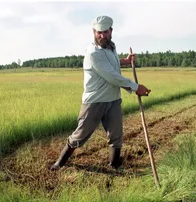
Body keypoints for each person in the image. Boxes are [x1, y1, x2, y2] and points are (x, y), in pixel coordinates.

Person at [50, 15, 151, 171]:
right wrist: (136, 87)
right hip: (95, 102)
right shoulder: (93, 53)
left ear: (111, 31)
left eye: (105, 32)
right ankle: (60, 162)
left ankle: (115, 164)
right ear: (93, 32)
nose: (102, 36)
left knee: (116, 135)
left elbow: (112, 63)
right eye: (99, 33)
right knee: (80, 135)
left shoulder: (111, 47)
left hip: (113, 100)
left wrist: (124, 60)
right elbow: (112, 76)